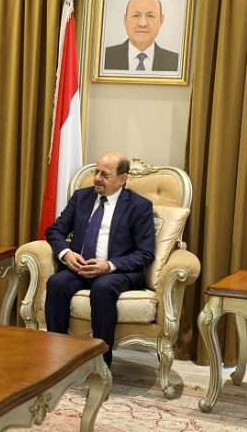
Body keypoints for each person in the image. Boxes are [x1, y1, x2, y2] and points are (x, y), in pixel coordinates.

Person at [44, 152, 155, 367]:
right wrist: (66, 254)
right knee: (57, 283)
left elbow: (145, 253)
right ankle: (57, 358)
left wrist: (108, 265)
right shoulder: (81, 197)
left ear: (122, 179)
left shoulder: (139, 206)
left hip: (116, 271)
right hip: (80, 267)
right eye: (96, 172)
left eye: (105, 175)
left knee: (102, 288)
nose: (97, 178)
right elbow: (55, 231)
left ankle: (101, 365)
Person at [104, 0, 179, 72]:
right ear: (125, 20)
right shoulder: (104, 57)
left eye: (150, 16)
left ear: (161, 20)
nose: (143, 24)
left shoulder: (176, 62)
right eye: (136, 15)